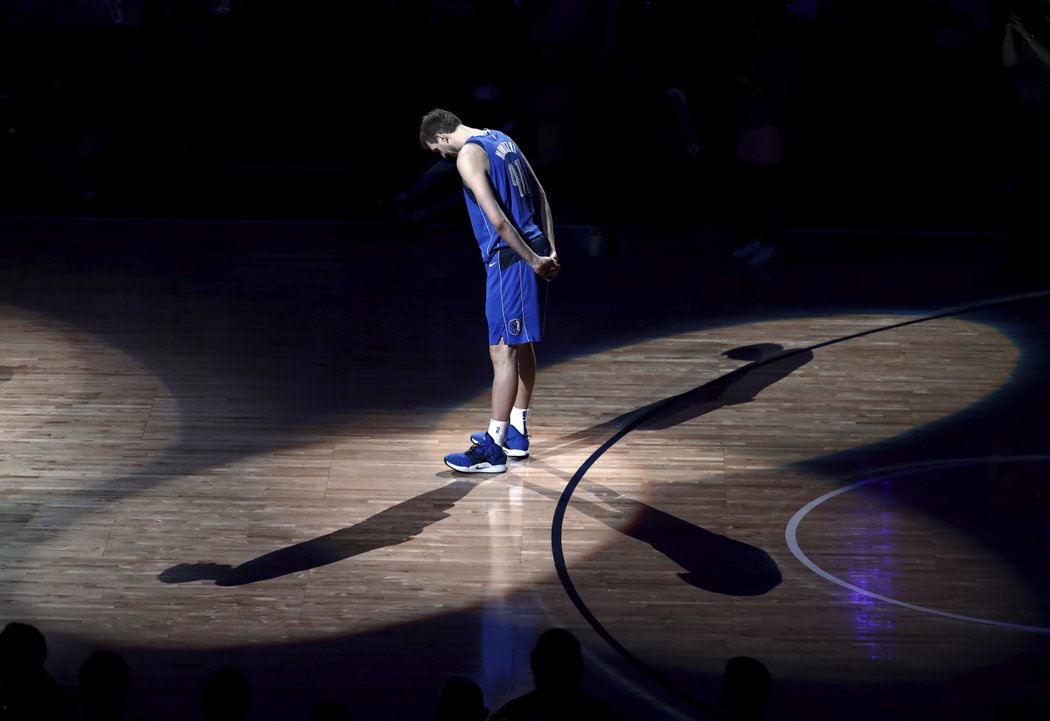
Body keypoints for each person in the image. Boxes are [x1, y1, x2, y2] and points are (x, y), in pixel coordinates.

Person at [419, 108, 560, 474]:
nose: (443, 157)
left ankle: (493, 447)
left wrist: (530, 260)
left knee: (502, 349)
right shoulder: (502, 138)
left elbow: (497, 220)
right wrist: (550, 251)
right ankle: (516, 430)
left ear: (443, 136)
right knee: (521, 342)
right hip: (536, 246)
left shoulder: (467, 154)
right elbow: (541, 194)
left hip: (511, 259)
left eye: (438, 151)